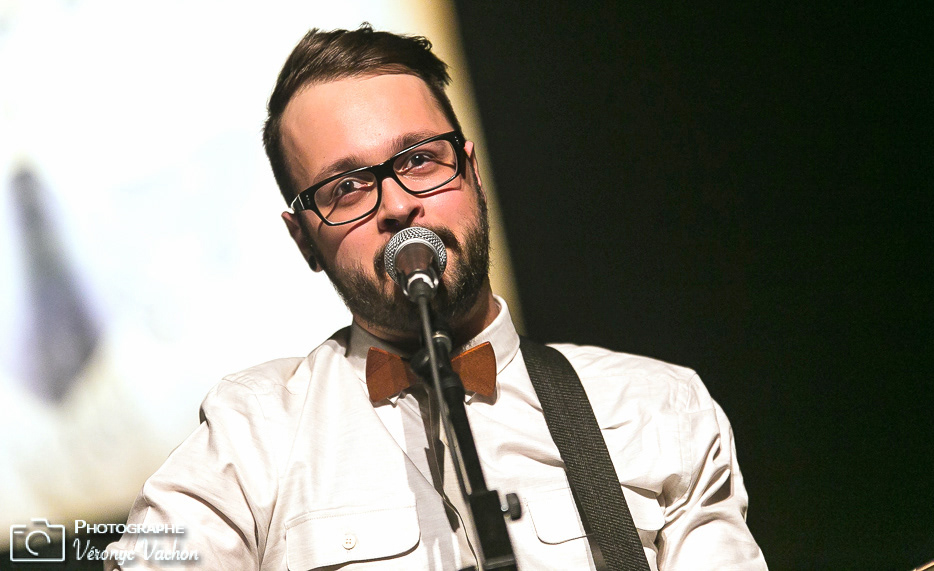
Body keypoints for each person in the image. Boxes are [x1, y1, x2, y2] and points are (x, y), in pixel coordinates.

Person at [107, 24, 766, 570]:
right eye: (346, 188)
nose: (397, 205)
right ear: (304, 239)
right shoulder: (249, 437)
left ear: (471, 171)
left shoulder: (657, 409)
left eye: (420, 159)